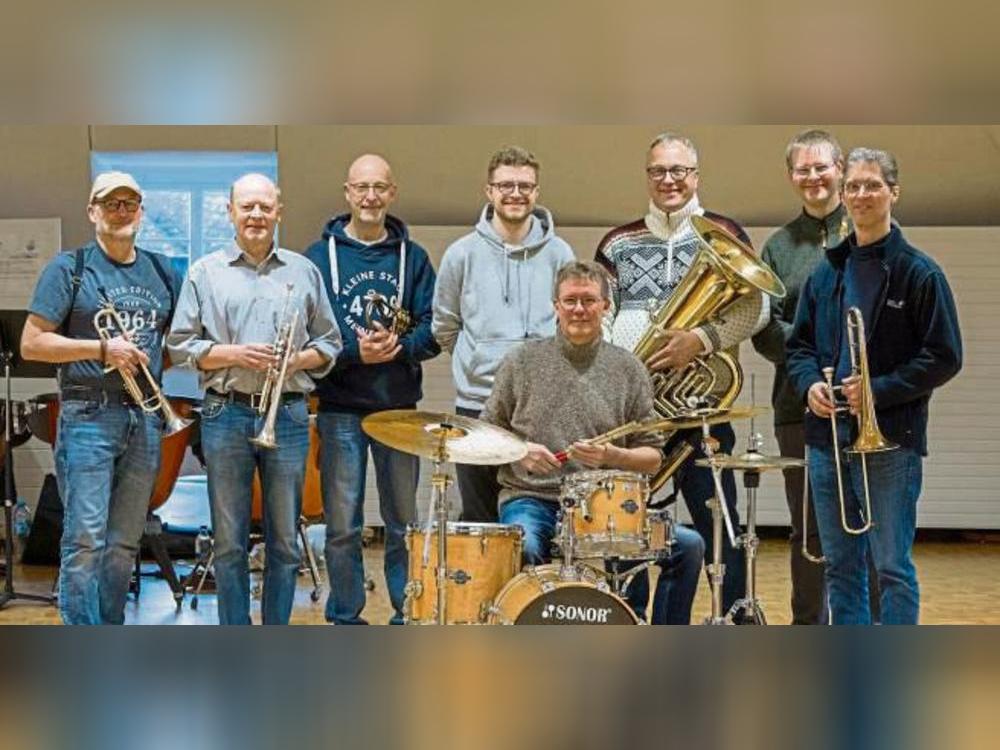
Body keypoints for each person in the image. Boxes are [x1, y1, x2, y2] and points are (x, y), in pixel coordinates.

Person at [786, 147, 962, 624]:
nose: (862, 195)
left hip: (891, 440)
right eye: (854, 187)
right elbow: (799, 348)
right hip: (828, 439)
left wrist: (877, 391)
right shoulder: (827, 272)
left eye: (872, 185)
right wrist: (808, 388)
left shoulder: (920, 272)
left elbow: (945, 357)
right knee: (840, 567)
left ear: (893, 193)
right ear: (843, 195)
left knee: (891, 567)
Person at [595, 131, 765, 615]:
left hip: (701, 415)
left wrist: (702, 341)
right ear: (647, 176)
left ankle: (733, 616)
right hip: (636, 412)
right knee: (625, 528)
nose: (668, 180)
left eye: (679, 171)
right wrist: (623, 368)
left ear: (696, 176)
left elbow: (757, 307)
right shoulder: (618, 241)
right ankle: (628, 621)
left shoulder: (725, 231)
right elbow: (603, 311)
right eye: (658, 171)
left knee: (722, 527)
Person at [482, 260, 704, 625]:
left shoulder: (629, 368)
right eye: (570, 301)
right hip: (532, 498)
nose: (579, 310)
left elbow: (652, 458)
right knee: (527, 546)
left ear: (605, 306)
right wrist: (521, 452)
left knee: (688, 547)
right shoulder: (520, 361)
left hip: (605, 507)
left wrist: (611, 456)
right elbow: (486, 433)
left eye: (589, 300)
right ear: (555, 306)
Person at [167, 173, 341, 625]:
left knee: (284, 541)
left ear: (279, 211)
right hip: (226, 413)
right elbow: (180, 346)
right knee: (228, 542)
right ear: (230, 212)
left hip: (286, 412)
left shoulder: (304, 271)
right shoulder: (205, 272)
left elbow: (330, 343)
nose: (256, 215)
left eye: (265, 206)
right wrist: (234, 353)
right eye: (247, 206)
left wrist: (294, 361)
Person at [21, 171, 180, 624]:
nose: (122, 210)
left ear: (142, 212)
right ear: (93, 212)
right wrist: (102, 348)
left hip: (145, 418)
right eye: (111, 203)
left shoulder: (163, 270)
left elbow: (172, 344)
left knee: (123, 545)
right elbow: (33, 343)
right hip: (88, 413)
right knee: (85, 540)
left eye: (130, 203)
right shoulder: (69, 268)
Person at [304, 154, 440, 625]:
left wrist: (398, 347)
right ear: (347, 192)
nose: (370, 196)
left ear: (392, 193)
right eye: (361, 187)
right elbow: (306, 332)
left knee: (403, 523)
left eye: (379, 187)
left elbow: (434, 331)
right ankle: (345, 615)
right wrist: (352, 352)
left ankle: (407, 612)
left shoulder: (415, 258)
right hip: (339, 408)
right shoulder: (318, 258)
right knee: (342, 525)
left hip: (399, 409)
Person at [432, 146, 575, 523]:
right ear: (489, 191)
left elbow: (570, 326)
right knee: (480, 519)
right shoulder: (460, 254)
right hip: (477, 406)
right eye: (506, 185)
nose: (516, 193)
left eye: (525, 185)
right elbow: (445, 326)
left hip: (541, 407)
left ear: (537, 192)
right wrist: (479, 360)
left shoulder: (560, 254)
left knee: (536, 517)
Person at [751, 129, 849, 624]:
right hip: (797, 405)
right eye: (802, 169)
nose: (812, 177)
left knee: (861, 526)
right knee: (808, 530)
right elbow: (763, 327)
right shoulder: (777, 247)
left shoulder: (870, 229)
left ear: (841, 168)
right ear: (792, 177)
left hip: (865, 402)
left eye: (821, 167)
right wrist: (811, 366)